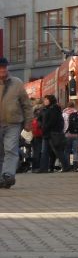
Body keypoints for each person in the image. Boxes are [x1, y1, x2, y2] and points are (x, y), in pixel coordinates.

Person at [0, 57, 33, 189]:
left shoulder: (17, 83)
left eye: (4, 67)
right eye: (0, 68)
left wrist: (28, 122)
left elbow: (26, 105)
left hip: (13, 123)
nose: (2, 70)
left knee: (10, 149)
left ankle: (8, 175)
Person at [39, 94, 65, 173]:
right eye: (44, 99)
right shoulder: (45, 109)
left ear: (51, 100)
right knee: (45, 151)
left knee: (57, 151)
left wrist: (45, 127)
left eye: (46, 99)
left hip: (52, 133)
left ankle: (66, 166)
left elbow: (52, 121)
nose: (45, 101)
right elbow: (41, 119)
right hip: (46, 133)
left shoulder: (54, 109)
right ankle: (44, 168)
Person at [62, 100, 78, 171]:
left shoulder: (64, 114)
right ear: (74, 105)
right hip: (76, 135)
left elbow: (62, 125)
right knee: (75, 151)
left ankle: (67, 166)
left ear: (67, 105)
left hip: (67, 135)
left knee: (66, 151)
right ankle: (75, 167)